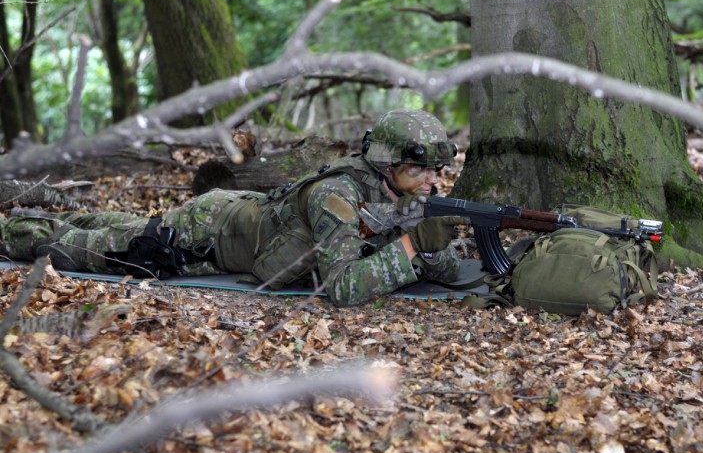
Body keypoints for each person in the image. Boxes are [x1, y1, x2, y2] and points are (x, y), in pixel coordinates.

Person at [0, 110, 468, 307]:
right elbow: (343, 288)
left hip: (229, 212)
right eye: (420, 169)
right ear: (388, 164)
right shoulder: (339, 195)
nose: (432, 180)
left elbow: (437, 266)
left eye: (433, 172)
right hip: (204, 234)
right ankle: (12, 233)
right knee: (81, 248)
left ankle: (55, 211)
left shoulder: (399, 195)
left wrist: (433, 250)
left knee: (108, 224)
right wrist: (409, 249)